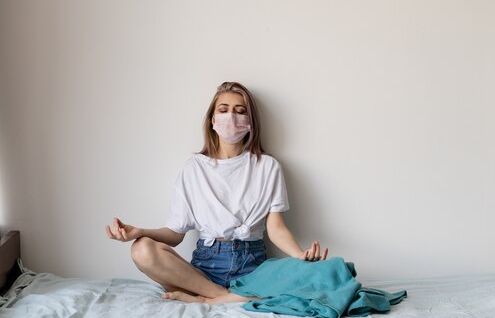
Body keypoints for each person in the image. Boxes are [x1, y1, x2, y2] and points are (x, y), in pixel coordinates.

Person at [105, 81, 328, 305]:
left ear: (250, 122)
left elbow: (276, 228)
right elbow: (175, 233)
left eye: (240, 112)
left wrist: (299, 255)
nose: (231, 117)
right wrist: (138, 232)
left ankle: (208, 299)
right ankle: (221, 297)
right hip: (204, 269)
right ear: (212, 119)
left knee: (320, 277)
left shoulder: (268, 166)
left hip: (252, 266)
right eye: (223, 110)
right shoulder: (193, 168)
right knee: (141, 249)